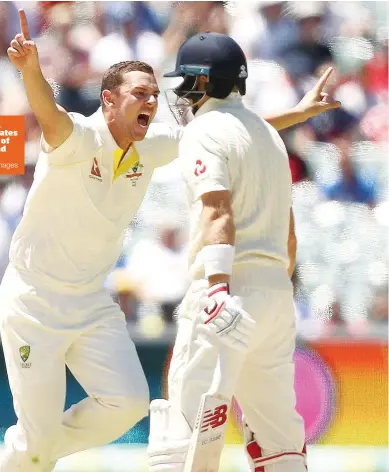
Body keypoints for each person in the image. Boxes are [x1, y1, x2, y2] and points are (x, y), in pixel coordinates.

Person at [0, 10, 339, 471]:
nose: (153, 103)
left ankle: (31, 453)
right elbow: (50, 114)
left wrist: (297, 113)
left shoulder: (152, 145)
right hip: (34, 301)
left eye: (155, 95)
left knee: (131, 403)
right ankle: (31, 453)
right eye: (140, 94)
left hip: (90, 302)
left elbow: (227, 129)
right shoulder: (77, 139)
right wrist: (32, 72)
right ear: (108, 101)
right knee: (40, 445)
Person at [148, 32, 339, 472]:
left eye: (187, 83)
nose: (181, 94)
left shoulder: (202, 131)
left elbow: (217, 210)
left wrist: (217, 288)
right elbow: (289, 230)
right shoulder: (271, 139)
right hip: (275, 294)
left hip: (226, 288)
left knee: (180, 434)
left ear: (203, 81)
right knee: (279, 439)